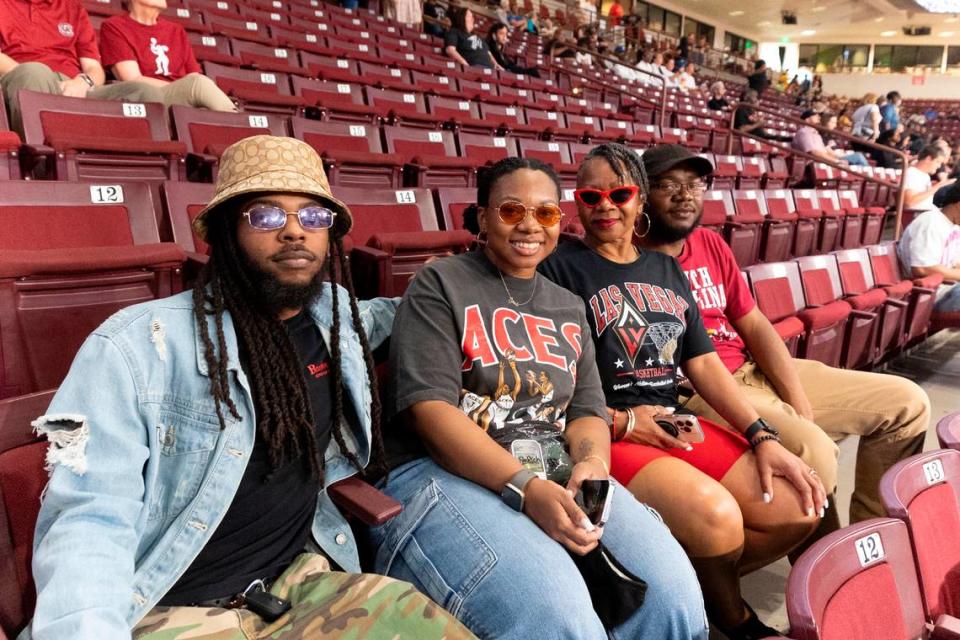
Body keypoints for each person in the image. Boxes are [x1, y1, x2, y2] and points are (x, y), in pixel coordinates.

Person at [23, 136, 477, 640]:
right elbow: (89, 516)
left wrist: (450, 280)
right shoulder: (132, 347)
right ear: (226, 231)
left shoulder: (335, 318)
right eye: (265, 216)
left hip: (300, 587)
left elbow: (395, 313)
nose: (293, 232)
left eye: (314, 217)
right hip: (170, 610)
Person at [370, 157, 709, 640]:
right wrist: (525, 489)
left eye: (546, 213)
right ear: (484, 217)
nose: (530, 225)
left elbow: (588, 411)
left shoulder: (567, 304)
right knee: (562, 622)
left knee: (672, 596)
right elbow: (431, 412)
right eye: (511, 211)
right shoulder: (440, 282)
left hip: (553, 464)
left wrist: (592, 465)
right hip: (441, 467)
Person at [540, 143, 824, 640]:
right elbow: (548, 381)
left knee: (796, 508)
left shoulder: (667, 271)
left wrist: (762, 434)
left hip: (670, 418)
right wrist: (623, 421)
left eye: (620, 193)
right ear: (577, 203)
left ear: (640, 199)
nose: (605, 205)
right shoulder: (559, 268)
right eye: (591, 195)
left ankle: (692, 588)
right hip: (607, 430)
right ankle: (732, 620)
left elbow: (704, 361)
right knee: (718, 519)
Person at [634, 143, 931, 525]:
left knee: (908, 403)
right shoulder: (627, 261)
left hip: (751, 370)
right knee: (815, 450)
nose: (685, 196)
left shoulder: (709, 242)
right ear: (641, 194)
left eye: (694, 185)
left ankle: (871, 534)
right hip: (701, 391)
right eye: (668, 185)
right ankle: (829, 563)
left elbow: (755, 325)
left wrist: (796, 398)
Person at [0, 0, 162, 136]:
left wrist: (83, 82)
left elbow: (93, 67)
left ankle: (145, 170)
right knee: (34, 73)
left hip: (76, 86)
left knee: (145, 92)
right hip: (24, 77)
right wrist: (35, 74)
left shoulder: (73, 8)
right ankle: (45, 168)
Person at [99, 0, 236, 112]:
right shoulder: (114, 26)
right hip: (150, 97)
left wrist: (187, 90)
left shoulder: (176, 30)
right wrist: (185, 88)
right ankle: (241, 128)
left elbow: (193, 73)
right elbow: (131, 78)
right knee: (198, 84)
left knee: (200, 89)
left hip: (184, 97)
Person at [898, 181, 960, 312]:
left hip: (949, 289)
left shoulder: (954, 226)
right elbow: (922, 269)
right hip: (930, 297)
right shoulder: (930, 222)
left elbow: (955, 264)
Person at [791, 110, 868, 166]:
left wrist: (836, 159)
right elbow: (814, 152)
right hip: (814, 163)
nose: (818, 117)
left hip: (823, 161)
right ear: (807, 120)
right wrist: (835, 161)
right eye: (814, 115)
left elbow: (824, 151)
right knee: (858, 158)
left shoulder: (815, 133)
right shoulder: (804, 132)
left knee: (852, 162)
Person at [904, 145, 956, 211]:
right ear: (928, 159)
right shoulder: (912, 173)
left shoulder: (925, 175)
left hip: (925, 213)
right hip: (915, 216)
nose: (939, 166)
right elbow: (909, 202)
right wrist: (939, 185)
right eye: (938, 162)